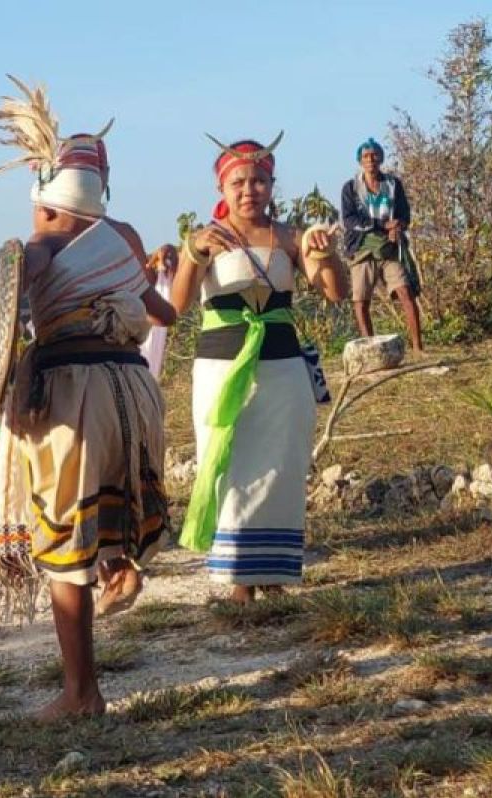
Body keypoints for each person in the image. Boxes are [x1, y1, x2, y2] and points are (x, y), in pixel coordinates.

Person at [0, 80, 176, 720]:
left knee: (63, 542)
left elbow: (2, 327)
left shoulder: (36, 250)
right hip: (134, 389)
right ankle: (123, 565)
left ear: (47, 199)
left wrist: (14, 372)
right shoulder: (127, 238)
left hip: (73, 391)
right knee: (114, 503)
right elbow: (162, 311)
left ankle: (81, 694)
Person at [172, 134, 346, 607]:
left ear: (272, 185)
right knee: (228, 461)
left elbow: (334, 292)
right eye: (239, 182)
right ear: (223, 188)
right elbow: (178, 305)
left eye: (260, 181)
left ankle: (272, 570)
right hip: (221, 368)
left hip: (281, 368)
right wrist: (191, 251)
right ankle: (238, 580)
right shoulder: (207, 239)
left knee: (279, 466)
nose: (250, 190)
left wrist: (325, 252)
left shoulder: (291, 237)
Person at [340, 138, 423, 352]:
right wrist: (382, 225)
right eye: (366, 156)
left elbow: (404, 215)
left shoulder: (393, 185)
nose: (371, 160)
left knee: (405, 291)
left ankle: (418, 347)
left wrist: (398, 227)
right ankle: (371, 349)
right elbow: (349, 221)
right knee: (361, 300)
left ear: (381, 158)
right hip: (361, 249)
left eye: (374, 155)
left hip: (389, 248)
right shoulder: (351, 188)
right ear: (360, 161)